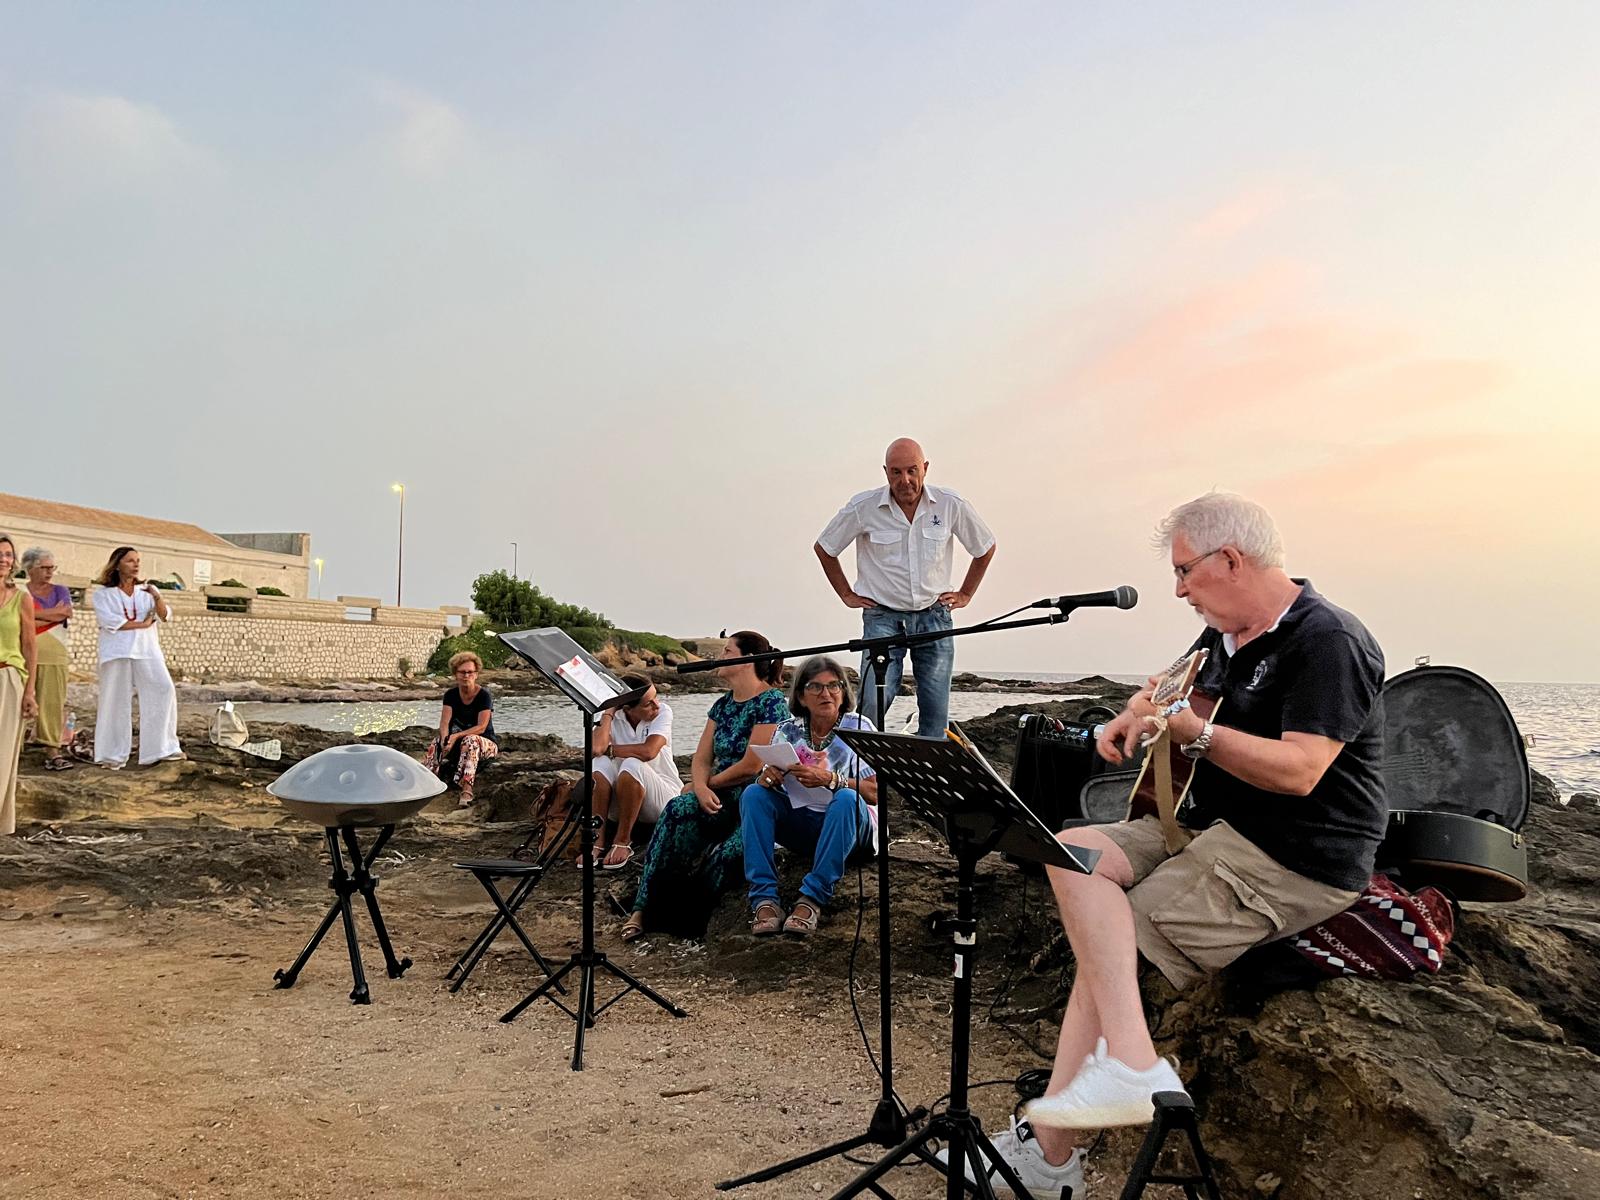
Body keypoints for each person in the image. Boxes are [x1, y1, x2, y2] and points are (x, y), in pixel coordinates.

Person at [949, 493, 1387, 1198]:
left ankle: (1053, 1157)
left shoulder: (1328, 640)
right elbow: (1168, 689)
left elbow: (1302, 772)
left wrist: (1195, 736)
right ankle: (1126, 1062)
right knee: (1069, 847)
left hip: (1295, 853)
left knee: (1118, 931)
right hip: (1207, 825)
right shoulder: (1228, 629)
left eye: (1186, 571)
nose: (1178, 588)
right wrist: (1132, 714)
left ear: (1232, 560)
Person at [815, 437, 995, 738]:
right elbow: (825, 547)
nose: (905, 480)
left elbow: (985, 548)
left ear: (925, 468)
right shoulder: (864, 507)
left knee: (936, 713)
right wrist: (846, 594)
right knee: (872, 704)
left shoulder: (950, 504)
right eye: (896, 472)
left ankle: (928, 781)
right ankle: (860, 778)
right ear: (886, 472)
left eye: (912, 471)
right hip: (882, 618)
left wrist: (965, 594)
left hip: (934, 617)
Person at [621, 631, 788, 942]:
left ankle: (690, 919)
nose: (720, 656)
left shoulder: (772, 702)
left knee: (729, 856)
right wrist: (698, 788)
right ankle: (642, 909)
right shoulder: (722, 704)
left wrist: (705, 785)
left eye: (727, 651)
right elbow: (701, 757)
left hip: (755, 798)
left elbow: (752, 765)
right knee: (675, 811)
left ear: (746, 660)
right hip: (716, 794)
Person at [739, 655, 878, 937]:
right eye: (815, 687)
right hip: (805, 826)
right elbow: (772, 780)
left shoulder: (859, 727)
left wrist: (830, 779)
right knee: (754, 794)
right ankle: (764, 899)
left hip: (852, 830)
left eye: (834, 686)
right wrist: (767, 777)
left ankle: (812, 898)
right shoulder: (787, 730)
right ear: (802, 696)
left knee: (846, 799)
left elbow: (875, 793)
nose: (826, 693)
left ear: (843, 692)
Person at [91, 546, 182, 770]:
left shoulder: (147, 590)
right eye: (131, 560)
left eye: (138, 560)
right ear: (118, 564)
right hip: (117, 652)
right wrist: (142, 624)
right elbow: (110, 622)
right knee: (114, 701)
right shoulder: (102, 594)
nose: (136, 564)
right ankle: (111, 754)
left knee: (163, 689)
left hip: (147, 651)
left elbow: (164, 616)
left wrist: (156, 596)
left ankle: (161, 748)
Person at [590, 672, 679, 870]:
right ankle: (597, 841)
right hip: (621, 803)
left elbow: (649, 751)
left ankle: (623, 841)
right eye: (648, 703)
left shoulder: (663, 712)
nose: (656, 704)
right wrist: (609, 710)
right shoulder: (610, 717)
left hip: (661, 798)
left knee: (632, 763)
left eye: (655, 697)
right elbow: (596, 749)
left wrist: (611, 750)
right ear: (627, 708)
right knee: (599, 764)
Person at [0, 535, 40, 836]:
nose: (3, 559)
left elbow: (29, 645)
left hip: (8, 678)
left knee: (3, 752)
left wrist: (30, 691)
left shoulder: (21, 597)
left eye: (8, 555)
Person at [423, 650, 498, 806]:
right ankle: (426, 782)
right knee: (437, 742)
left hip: (484, 744)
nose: (466, 676)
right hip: (459, 744)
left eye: (470, 672)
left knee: (470, 740)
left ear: (476, 674)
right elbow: (444, 723)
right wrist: (445, 739)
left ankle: (467, 789)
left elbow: (482, 726)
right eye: (462, 672)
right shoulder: (450, 695)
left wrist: (456, 736)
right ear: (455, 674)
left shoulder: (484, 695)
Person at [22, 547, 73, 771]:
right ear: (30, 568)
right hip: (23, 653)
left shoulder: (60, 590)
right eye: (44, 567)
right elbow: (19, 621)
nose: (49, 572)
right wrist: (51, 614)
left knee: (52, 702)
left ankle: (53, 751)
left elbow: (66, 612)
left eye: (52, 567)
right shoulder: (20, 592)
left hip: (55, 653)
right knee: (17, 700)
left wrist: (31, 616)